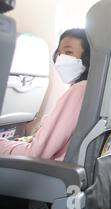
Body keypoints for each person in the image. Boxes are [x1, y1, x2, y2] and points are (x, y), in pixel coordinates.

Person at [0, 28, 90, 160]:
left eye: (68, 52)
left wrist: (2, 144)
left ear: (87, 58)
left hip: (47, 170)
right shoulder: (86, 87)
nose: (61, 59)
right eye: (59, 53)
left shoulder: (79, 90)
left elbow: (36, 153)